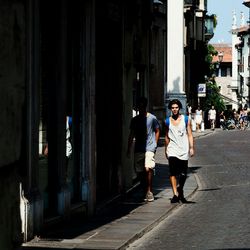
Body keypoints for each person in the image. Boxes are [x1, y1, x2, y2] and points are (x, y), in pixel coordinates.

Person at [127, 97, 160, 202]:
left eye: (142, 106)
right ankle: (144, 189)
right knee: (140, 172)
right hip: (139, 148)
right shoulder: (135, 120)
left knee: (148, 168)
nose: (141, 108)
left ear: (145, 106)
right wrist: (129, 148)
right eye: (139, 106)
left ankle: (149, 190)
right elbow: (131, 135)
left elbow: (157, 130)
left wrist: (155, 143)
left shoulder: (152, 118)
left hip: (149, 147)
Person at [165, 99, 194, 203]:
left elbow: (190, 134)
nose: (174, 110)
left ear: (179, 108)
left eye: (176, 107)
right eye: (172, 108)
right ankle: (175, 194)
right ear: (170, 109)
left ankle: (180, 188)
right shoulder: (167, 121)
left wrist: (191, 147)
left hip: (183, 149)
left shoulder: (186, 119)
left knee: (183, 174)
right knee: (172, 172)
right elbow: (167, 137)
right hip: (172, 149)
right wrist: (166, 150)